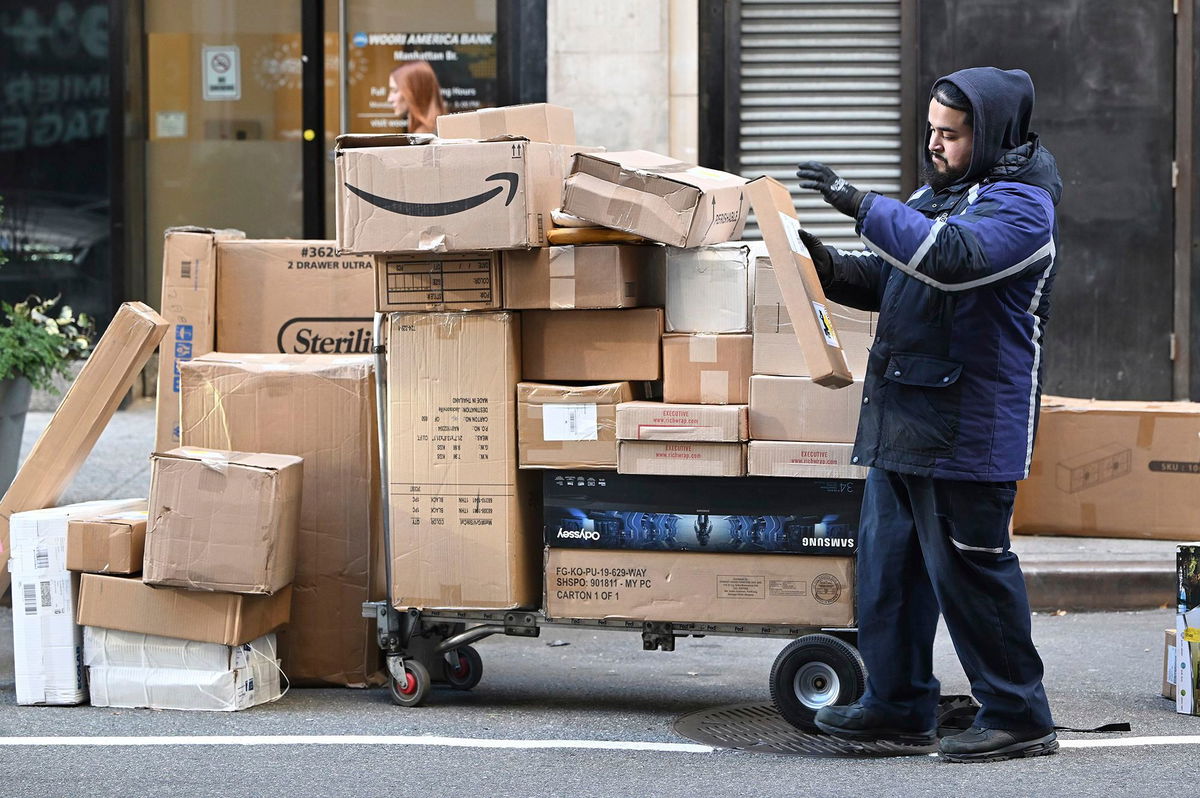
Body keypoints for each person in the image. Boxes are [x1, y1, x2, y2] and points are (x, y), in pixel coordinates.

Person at [794, 67, 1062, 763]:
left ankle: (1019, 715)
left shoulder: (1023, 207)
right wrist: (820, 262)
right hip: (906, 415)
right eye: (931, 130)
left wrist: (856, 201)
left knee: (971, 574)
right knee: (891, 572)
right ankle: (897, 704)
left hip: (969, 426)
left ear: (993, 131)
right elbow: (891, 279)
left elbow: (948, 260)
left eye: (951, 133)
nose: (934, 144)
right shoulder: (938, 195)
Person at [387, 61, 446, 134]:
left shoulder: (426, 137)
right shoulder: (437, 130)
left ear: (414, 91)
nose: (389, 99)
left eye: (395, 91)